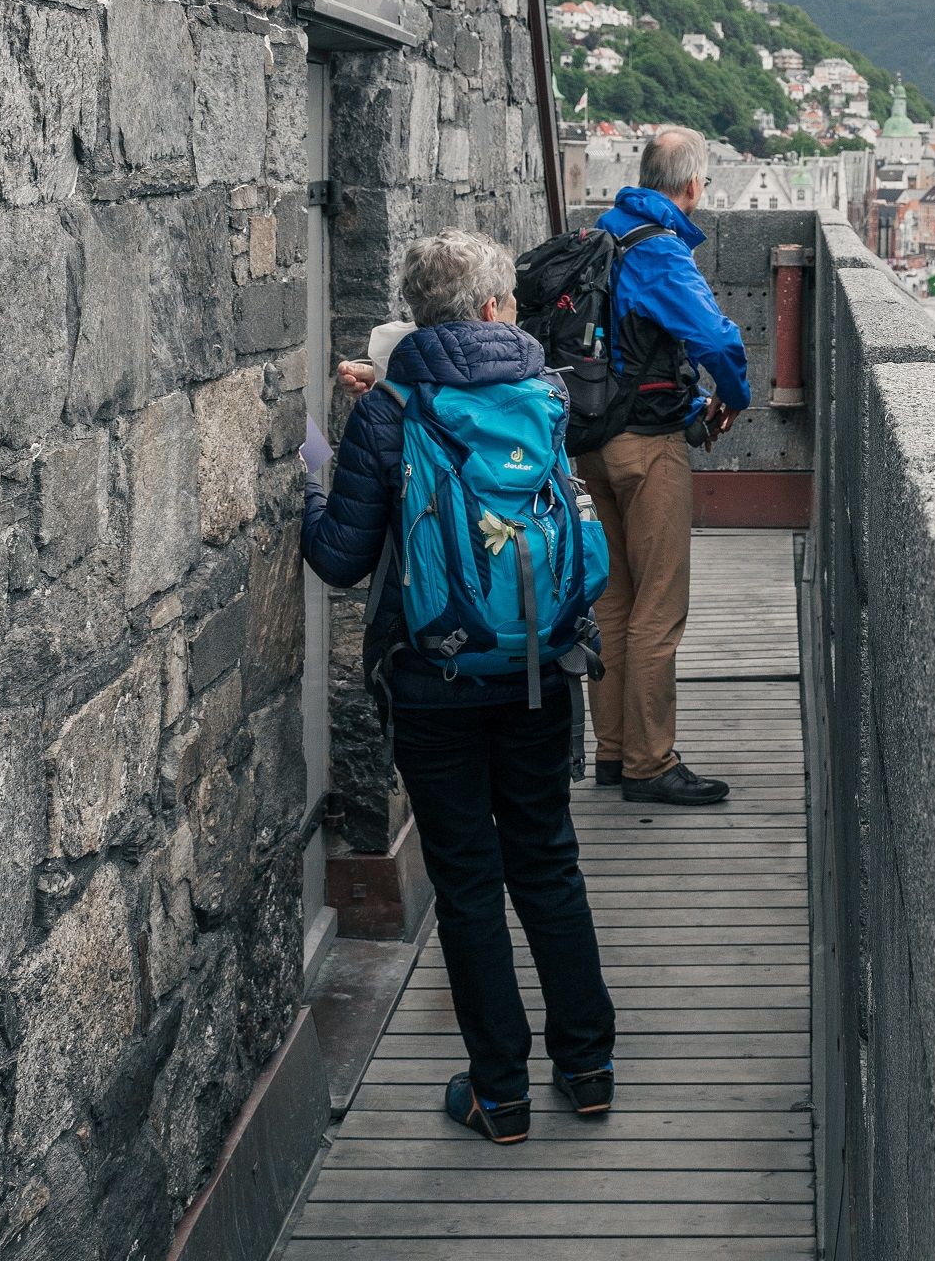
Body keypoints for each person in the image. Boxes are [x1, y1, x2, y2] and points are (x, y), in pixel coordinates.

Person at [302, 229, 616, 1145]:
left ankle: (500, 1093)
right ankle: (588, 1069)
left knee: (469, 884)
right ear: (489, 309)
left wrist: (314, 485)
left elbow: (340, 558)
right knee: (547, 862)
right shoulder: (544, 391)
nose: (514, 311)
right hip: (539, 670)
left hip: (434, 680)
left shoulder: (390, 413)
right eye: (509, 300)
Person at [579, 126, 750, 806]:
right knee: (658, 606)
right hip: (647, 446)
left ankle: (614, 752)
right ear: (691, 185)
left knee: (613, 602)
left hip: (589, 441)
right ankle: (651, 763)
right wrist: (732, 398)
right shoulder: (659, 250)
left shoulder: (604, 233)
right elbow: (716, 340)